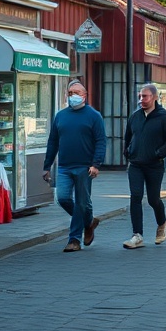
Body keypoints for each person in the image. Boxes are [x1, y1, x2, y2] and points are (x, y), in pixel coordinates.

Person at [42, 80, 107, 253]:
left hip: (85, 167)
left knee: (81, 203)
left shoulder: (94, 116)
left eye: (77, 93)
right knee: (63, 198)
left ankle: (74, 240)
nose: (73, 96)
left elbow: (101, 141)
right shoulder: (61, 115)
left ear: (85, 96)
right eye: (70, 93)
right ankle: (89, 222)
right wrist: (47, 165)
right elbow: (53, 141)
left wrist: (96, 164)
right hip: (64, 166)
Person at [123, 83, 166, 249]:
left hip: (154, 165)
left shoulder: (164, 116)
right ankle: (137, 235)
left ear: (154, 97)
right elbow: (127, 137)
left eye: (145, 96)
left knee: (154, 199)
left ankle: (162, 223)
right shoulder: (135, 116)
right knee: (136, 196)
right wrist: (128, 152)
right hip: (136, 165)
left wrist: (158, 153)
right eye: (140, 96)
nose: (141, 100)